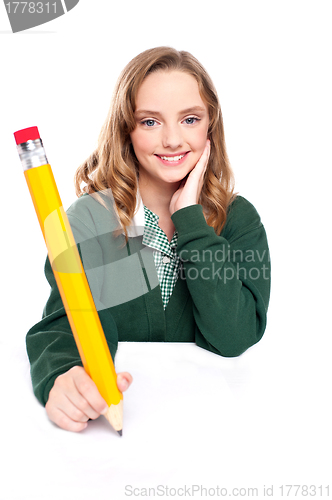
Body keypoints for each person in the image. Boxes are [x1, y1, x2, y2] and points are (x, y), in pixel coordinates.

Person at [26, 46, 271, 432]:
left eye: (190, 119)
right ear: (127, 128)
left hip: (211, 425)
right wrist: (62, 376)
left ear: (211, 126)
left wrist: (190, 220)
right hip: (122, 430)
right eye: (150, 122)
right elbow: (63, 324)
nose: (172, 140)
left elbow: (234, 336)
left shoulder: (238, 219)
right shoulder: (90, 220)